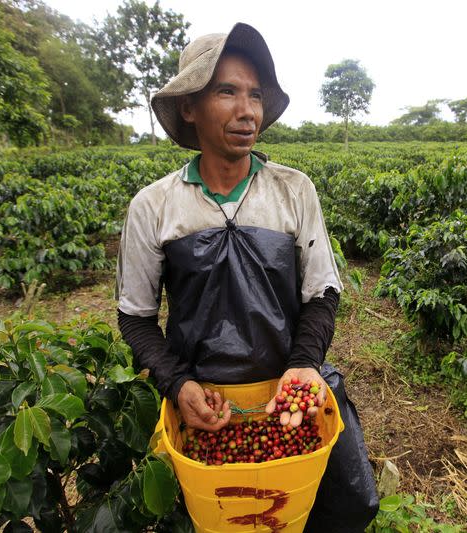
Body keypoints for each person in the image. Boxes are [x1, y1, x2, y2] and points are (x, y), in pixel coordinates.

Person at [116, 22, 378, 532]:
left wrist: (304, 366)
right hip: (207, 404)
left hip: (288, 394)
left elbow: (321, 292)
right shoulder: (155, 206)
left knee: (333, 506)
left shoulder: (293, 191)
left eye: (255, 94)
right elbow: (137, 319)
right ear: (190, 108)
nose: (247, 110)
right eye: (227, 91)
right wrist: (178, 384)